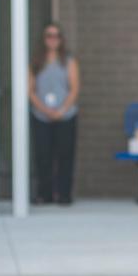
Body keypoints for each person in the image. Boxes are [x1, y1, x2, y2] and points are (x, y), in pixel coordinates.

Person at [29, 22, 81, 205]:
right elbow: (31, 91)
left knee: (65, 155)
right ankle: (45, 194)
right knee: (43, 156)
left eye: (56, 35)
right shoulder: (36, 61)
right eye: (49, 36)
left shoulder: (68, 61)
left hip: (66, 116)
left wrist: (61, 110)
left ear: (61, 39)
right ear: (44, 39)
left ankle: (64, 194)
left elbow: (74, 89)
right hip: (41, 116)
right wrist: (45, 110)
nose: (53, 39)